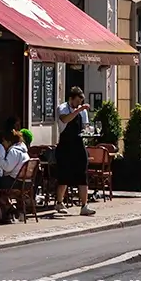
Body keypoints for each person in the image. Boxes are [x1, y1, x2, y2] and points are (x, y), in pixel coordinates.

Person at [53, 86, 93, 216]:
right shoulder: (63, 108)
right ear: (71, 99)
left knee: (82, 175)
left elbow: (85, 127)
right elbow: (64, 119)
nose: (79, 104)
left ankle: (84, 205)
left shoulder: (82, 111)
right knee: (64, 175)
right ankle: (59, 202)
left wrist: (90, 131)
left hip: (78, 144)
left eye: (80, 102)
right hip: (65, 145)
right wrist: (78, 110)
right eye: (77, 101)